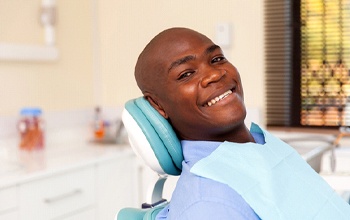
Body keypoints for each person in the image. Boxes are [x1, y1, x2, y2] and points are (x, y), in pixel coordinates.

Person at [134, 27, 350, 219]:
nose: (215, 74)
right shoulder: (209, 203)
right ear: (158, 105)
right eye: (186, 74)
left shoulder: (260, 145)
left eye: (217, 59)